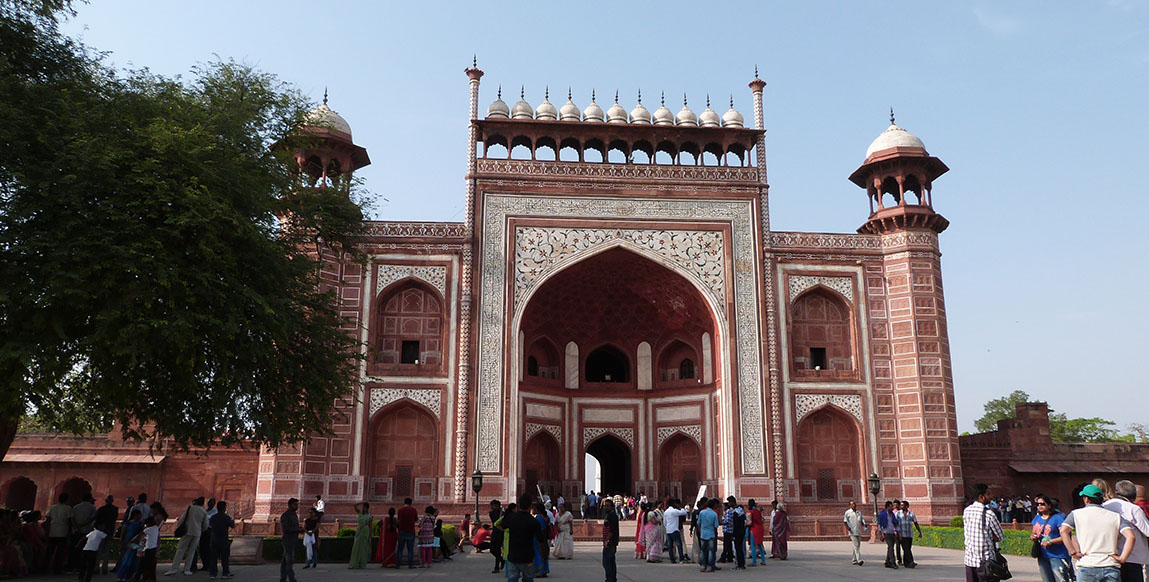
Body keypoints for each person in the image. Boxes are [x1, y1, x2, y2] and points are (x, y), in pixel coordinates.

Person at [1062, 484, 1136, 582]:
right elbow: (1131, 537)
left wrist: (1073, 552)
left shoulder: (1076, 514)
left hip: (1087, 564)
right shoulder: (1115, 516)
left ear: (1086, 499)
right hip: (1110, 564)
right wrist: (1123, 558)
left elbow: (1063, 531)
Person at [1103, 480, 1149, 582]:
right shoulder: (1133, 509)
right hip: (1132, 558)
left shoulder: (1105, 506)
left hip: (1109, 557)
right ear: (1134, 495)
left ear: (1116, 492)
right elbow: (1147, 531)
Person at [964, 484, 1005, 582]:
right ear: (981, 497)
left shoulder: (967, 511)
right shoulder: (989, 514)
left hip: (969, 559)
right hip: (986, 561)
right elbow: (1000, 536)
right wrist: (991, 536)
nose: (990, 497)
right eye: (988, 494)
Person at [498, 494, 543, 582]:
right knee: (528, 578)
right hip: (527, 556)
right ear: (530, 506)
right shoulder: (533, 521)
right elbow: (541, 539)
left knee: (512, 578)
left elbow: (501, 525)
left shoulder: (512, 517)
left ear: (518, 505)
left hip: (513, 555)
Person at [1032, 494, 1071, 582]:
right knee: (1047, 579)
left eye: (1042, 504)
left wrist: (1050, 542)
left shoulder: (1057, 518)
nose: (1039, 506)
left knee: (1061, 579)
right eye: (1038, 504)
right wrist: (1033, 537)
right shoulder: (1037, 518)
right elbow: (1034, 532)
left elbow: (1065, 536)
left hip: (1057, 555)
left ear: (1049, 506)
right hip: (1043, 555)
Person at [166, 497, 209, 576]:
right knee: (192, 551)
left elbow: (182, 519)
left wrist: (178, 528)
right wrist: (200, 530)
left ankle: (174, 569)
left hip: (187, 531)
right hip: (197, 533)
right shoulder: (203, 511)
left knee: (181, 550)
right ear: (202, 503)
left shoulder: (190, 508)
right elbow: (206, 525)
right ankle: (187, 569)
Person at [45, 492, 72, 574]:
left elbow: (48, 519)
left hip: (53, 531)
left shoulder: (53, 507)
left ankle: (45, 568)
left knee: (50, 551)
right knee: (60, 552)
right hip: (62, 532)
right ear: (66, 500)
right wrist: (70, 531)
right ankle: (57, 569)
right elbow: (69, 520)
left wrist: (47, 529)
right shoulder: (68, 508)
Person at [113, 510, 143, 582]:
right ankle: (122, 576)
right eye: (138, 515)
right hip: (127, 543)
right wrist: (122, 542)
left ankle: (129, 575)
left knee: (134, 560)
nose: (139, 516)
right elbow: (123, 533)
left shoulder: (140, 524)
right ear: (134, 515)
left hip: (136, 544)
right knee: (126, 560)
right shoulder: (127, 523)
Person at [208, 501, 235, 579]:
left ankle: (212, 574)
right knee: (225, 557)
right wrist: (232, 521)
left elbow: (210, 525)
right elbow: (232, 525)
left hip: (214, 539)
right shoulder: (226, 517)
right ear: (224, 508)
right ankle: (225, 573)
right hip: (223, 539)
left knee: (213, 557)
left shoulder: (213, 517)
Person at [94, 495, 119, 575]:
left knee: (99, 550)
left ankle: (97, 567)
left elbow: (96, 520)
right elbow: (114, 520)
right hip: (109, 531)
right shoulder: (115, 510)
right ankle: (104, 568)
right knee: (106, 551)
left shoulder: (101, 509)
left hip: (101, 531)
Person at [279, 498, 300, 582]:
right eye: (295, 504)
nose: (297, 506)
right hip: (288, 539)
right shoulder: (286, 515)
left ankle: (283, 578)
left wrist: (299, 529)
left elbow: (294, 527)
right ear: (290, 505)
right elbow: (286, 529)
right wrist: (297, 530)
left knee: (285, 560)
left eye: (297, 504)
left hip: (293, 539)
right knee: (289, 560)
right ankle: (292, 578)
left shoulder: (294, 514)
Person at [896, 500, 922, 568]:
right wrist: (898, 534)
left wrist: (919, 531)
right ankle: (911, 561)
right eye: (901, 505)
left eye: (902, 505)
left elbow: (915, 523)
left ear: (907, 506)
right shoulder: (898, 514)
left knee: (907, 549)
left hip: (909, 534)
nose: (901, 506)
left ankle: (906, 563)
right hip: (902, 534)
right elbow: (896, 524)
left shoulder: (911, 514)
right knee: (906, 548)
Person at [698, 498, 721, 572]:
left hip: (703, 534)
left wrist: (700, 530)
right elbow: (716, 525)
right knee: (711, 551)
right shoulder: (714, 514)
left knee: (703, 551)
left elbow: (698, 523)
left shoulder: (702, 512)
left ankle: (703, 566)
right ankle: (710, 566)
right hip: (711, 534)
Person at [664, 498, 689, 564]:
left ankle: (672, 559)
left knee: (670, 546)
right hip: (675, 530)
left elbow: (664, 522)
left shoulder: (666, 512)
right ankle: (681, 559)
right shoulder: (674, 511)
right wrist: (680, 508)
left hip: (668, 530)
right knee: (679, 544)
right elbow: (684, 512)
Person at [395, 498, 418, 569]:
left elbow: (399, 519)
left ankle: (398, 564)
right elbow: (416, 519)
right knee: (410, 549)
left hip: (402, 530)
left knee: (400, 549)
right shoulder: (413, 510)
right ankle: (410, 565)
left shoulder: (400, 510)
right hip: (410, 531)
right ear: (411, 503)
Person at [348, 502, 373, 568]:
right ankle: (353, 563)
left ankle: (362, 563)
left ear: (367, 508)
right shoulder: (360, 513)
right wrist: (362, 502)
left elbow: (370, 526)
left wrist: (370, 535)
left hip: (365, 532)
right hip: (359, 531)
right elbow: (354, 505)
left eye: (364, 508)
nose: (363, 509)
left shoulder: (369, 516)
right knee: (356, 547)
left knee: (363, 549)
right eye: (363, 507)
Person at [137, 515, 160, 582]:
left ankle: (138, 576)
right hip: (154, 548)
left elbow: (140, 534)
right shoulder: (156, 528)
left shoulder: (148, 529)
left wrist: (131, 540)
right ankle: (152, 578)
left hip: (148, 549)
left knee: (142, 563)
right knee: (151, 564)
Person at [843, 500, 867, 566]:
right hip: (852, 531)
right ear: (850, 505)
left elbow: (862, 520)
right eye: (852, 504)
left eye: (854, 504)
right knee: (856, 545)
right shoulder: (848, 513)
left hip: (858, 530)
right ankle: (859, 560)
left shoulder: (859, 512)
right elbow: (845, 522)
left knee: (857, 546)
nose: (854, 505)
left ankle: (854, 559)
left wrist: (864, 525)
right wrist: (848, 528)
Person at [877, 500, 899, 568]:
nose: (892, 507)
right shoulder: (882, 515)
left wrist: (897, 532)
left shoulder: (892, 514)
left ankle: (887, 562)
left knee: (890, 547)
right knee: (891, 548)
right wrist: (881, 535)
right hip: (886, 533)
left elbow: (895, 523)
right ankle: (893, 563)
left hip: (892, 532)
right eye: (891, 506)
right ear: (887, 507)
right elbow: (880, 525)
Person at [531, 503, 551, 577]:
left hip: (537, 537)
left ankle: (540, 570)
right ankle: (545, 569)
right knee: (544, 553)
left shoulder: (538, 518)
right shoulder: (545, 517)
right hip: (544, 537)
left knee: (538, 553)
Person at [602, 498, 619, 582]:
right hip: (610, 542)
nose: (606, 508)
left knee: (606, 562)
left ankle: (610, 579)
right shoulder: (609, 515)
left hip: (610, 542)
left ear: (612, 507)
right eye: (605, 506)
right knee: (611, 561)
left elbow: (612, 530)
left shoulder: (612, 516)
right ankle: (612, 578)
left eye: (608, 506)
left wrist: (607, 541)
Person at [488, 500, 505, 573]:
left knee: (498, 549)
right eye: (492, 506)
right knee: (492, 549)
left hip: (501, 532)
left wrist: (501, 513)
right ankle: (502, 560)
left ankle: (496, 567)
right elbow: (496, 522)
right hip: (495, 532)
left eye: (495, 506)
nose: (493, 507)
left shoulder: (503, 513)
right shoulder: (491, 513)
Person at [747, 499, 765, 566]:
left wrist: (745, 524)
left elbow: (750, 522)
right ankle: (763, 560)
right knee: (760, 544)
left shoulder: (750, 512)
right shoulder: (758, 512)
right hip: (760, 528)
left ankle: (754, 561)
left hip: (754, 529)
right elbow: (763, 520)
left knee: (753, 545)